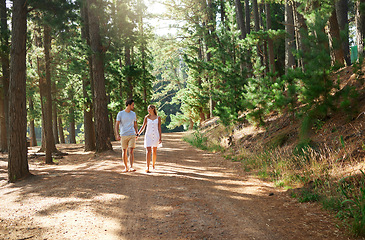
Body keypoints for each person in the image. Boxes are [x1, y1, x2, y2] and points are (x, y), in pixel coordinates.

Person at [115, 99, 139, 172]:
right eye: (132, 105)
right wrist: (117, 134)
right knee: (124, 151)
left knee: (131, 151)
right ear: (128, 105)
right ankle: (126, 167)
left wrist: (136, 133)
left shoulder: (133, 114)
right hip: (123, 135)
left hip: (132, 134)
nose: (133, 106)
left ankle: (131, 166)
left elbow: (135, 124)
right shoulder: (120, 113)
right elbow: (117, 124)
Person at [137, 105, 162, 173]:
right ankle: (147, 166)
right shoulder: (146, 117)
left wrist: (160, 137)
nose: (148, 110)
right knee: (148, 151)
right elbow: (143, 126)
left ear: (153, 109)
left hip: (156, 135)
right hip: (148, 135)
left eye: (149, 109)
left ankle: (153, 164)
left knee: (154, 151)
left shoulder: (158, 118)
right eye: (148, 109)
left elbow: (159, 128)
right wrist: (138, 133)